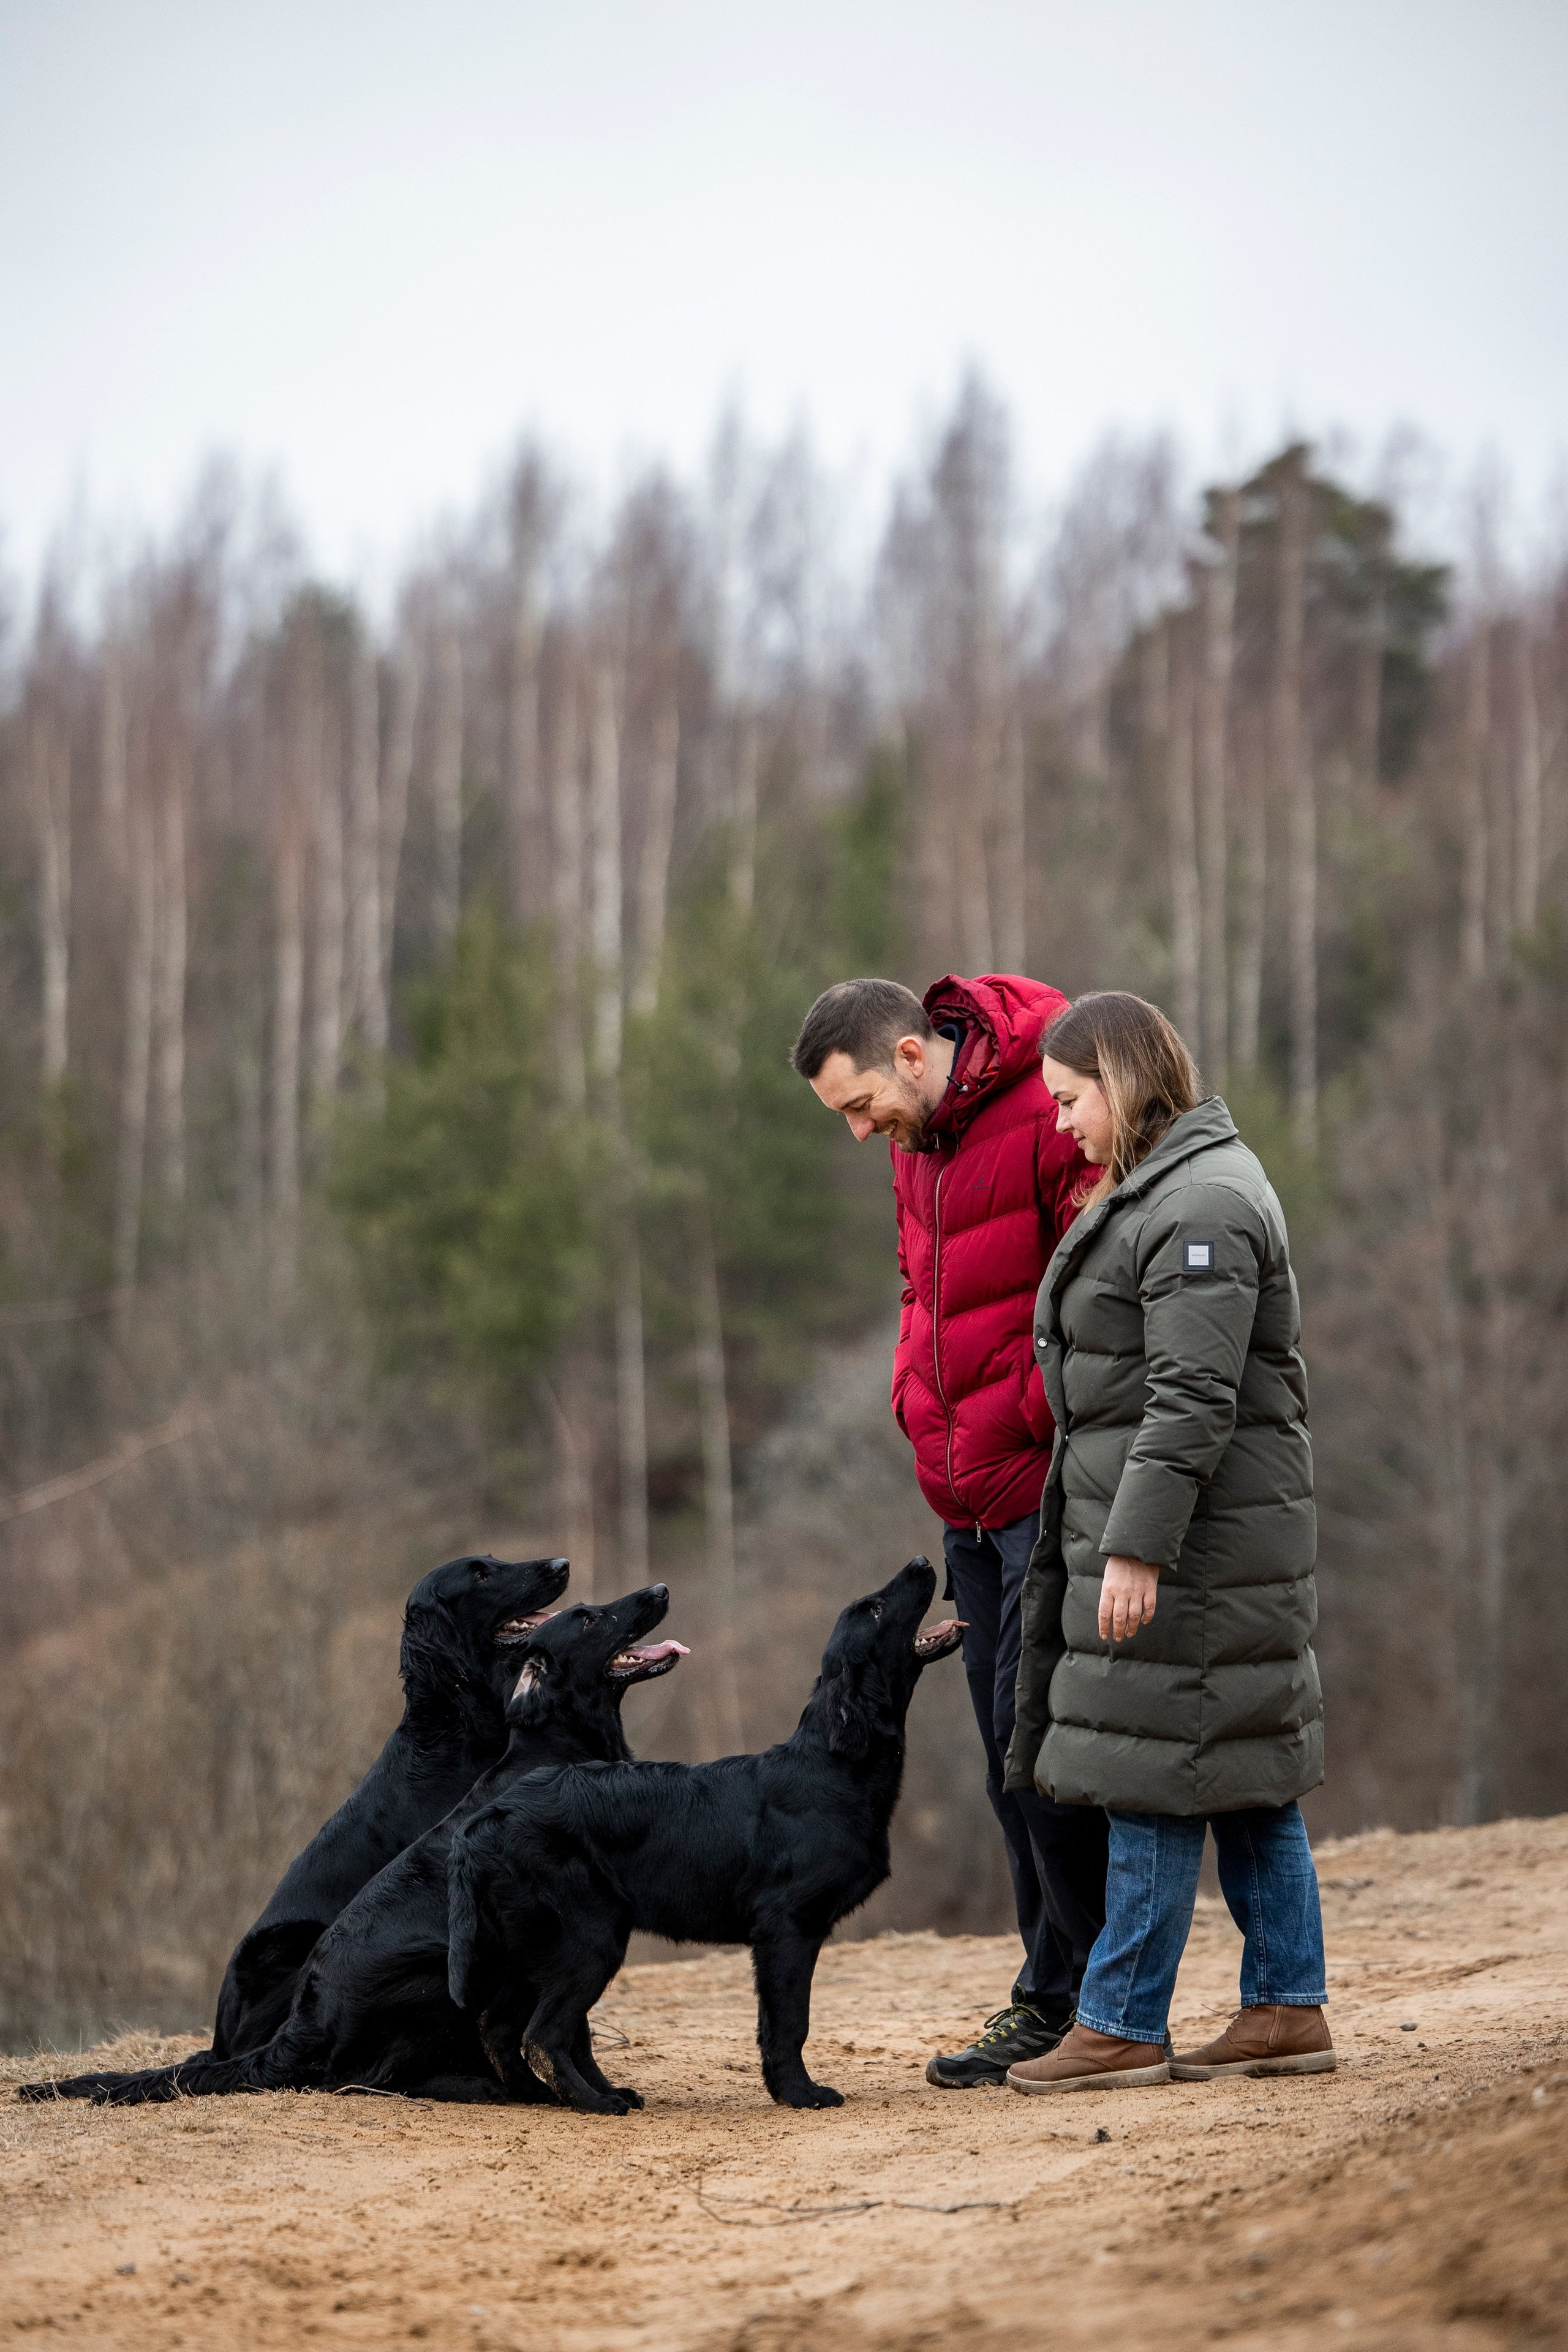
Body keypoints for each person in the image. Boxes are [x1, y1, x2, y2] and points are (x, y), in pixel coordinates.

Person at [1001, 990, 1332, 2094]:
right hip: (1197, 1535)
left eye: (1068, 1100)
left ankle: (1123, 2021)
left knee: (1148, 1766)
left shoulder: (1204, 1208)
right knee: (1240, 1774)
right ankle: (1287, 2008)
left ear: (1123, 1082)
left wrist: (1136, 1549)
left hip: (1192, 1546)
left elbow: (1191, 1396)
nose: (1060, 1125)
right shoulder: (1170, 1188)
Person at [791, 974, 1109, 2086]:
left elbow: (1098, 1282)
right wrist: (911, 1399)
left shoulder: (1047, 1108)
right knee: (1000, 1755)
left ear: (914, 1058)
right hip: (963, 1499)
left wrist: (1032, 1412)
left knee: (1045, 1752)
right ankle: (1059, 1995)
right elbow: (920, 1287)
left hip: (1041, 1482)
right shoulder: (914, 1140)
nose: (856, 1128)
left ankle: (1082, 2007)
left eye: (860, 1103)